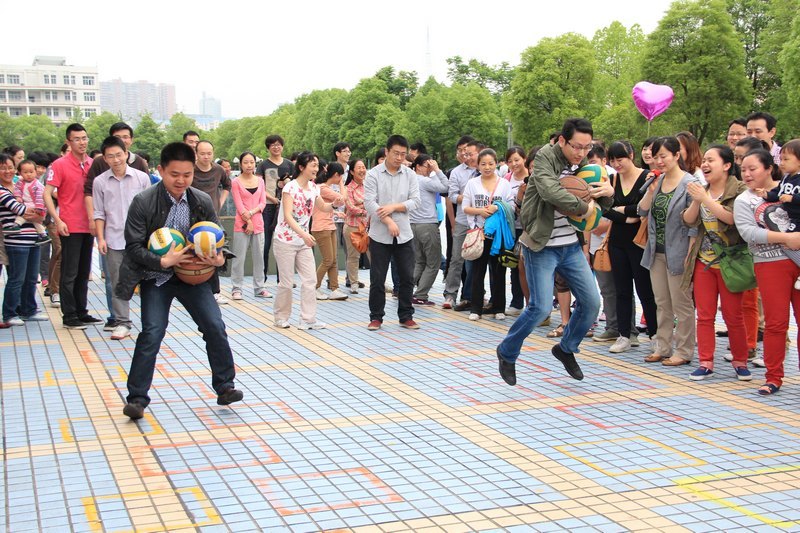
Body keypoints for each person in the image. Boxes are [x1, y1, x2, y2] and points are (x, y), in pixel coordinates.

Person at [116, 142, 243, 419]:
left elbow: (218, 236)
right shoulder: (143, 201)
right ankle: (137, 399)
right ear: (161, 171)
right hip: (156, 276)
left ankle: (225, 386)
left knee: (214, 326)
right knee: (152, 331)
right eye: (175, 174)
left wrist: (219, 258)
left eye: (187, 174)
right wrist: (163, 261)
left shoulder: (201, 200)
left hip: (194, 275)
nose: (181, 180)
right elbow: (133, 246)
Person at [496, 118, 615, 385]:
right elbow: (550, 192)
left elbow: (599, 195)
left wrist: (608, 192)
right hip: (542, 245)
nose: (582, 153)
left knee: (592, 303)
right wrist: (585, 208)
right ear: (562, 140)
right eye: (577, 146)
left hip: (570, 245)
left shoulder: (580, 163)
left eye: (587, 148)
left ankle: (566, 347)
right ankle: (507, 351)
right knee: (538, 309)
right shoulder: (544, 160)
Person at [734, 149, 800, 395]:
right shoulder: (744, 200)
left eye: (753, 169)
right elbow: (750, 233)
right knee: (776, 324)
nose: (748, 174)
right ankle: (773, 377)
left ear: (769, 168)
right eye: (743, 170)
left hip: (798, 261)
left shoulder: (791, 187)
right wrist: (788, 238)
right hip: (770, 264)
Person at [682, 145, 750, 381]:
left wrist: (705, 200)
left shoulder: (740, 189)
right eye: (704, 161)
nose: (705, 165)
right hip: (704, 262)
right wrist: (696, 200)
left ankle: (741, 361)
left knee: (733, 316)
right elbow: (689, 221)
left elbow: (733, 219)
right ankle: (705, 362)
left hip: (731, 262)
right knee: (705, 315)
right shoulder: (703, 190)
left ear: (727, 165)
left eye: (711, 160)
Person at [638, 136, 700, 366]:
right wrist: (651, 190)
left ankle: (684, 351)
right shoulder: (658, 180)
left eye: (663, 156)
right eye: (656, 157)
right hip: (656, 251)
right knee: (661, 301)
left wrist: (689, 254)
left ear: (676, 156)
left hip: (680, 251)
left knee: (681, 303)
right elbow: (642, 211)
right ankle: (662, 346)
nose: (659, 161)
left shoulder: (690, 183)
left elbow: (695, 225)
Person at [92, 136, 151, 340]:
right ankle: (122, 322)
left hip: (140, 240)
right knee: (117, 282)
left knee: (148, 281)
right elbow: (99, 212)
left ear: (126, 154)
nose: (116, 160)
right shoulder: (100, 182)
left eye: (119, 154)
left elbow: (150, 210)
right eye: (111, 156)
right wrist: (100, 238)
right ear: (105, 159)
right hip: (114, 239)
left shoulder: (142, 178)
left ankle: (150, 321)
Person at [44, 123, 102, 330]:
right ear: (69, 142)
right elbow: (47, 193)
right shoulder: (59, 165)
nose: (82, 142)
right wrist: (57, 220)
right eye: (77, 139)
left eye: (84, 138)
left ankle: (81, 311)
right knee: (70, 272)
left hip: (90, 225)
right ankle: (69, 315)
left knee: (84, 271)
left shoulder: (92, 164)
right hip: (70, 226)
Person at [272, 152, 339, 329]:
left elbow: (322, 207)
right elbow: (287, 216)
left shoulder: (314, 188)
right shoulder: (290, 188)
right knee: (286, 283)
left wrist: (334, 205)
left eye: (317, 165)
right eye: (313, 165)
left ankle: (308, 319)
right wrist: (304, 233)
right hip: (285, 240)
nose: (316, 169)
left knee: (309, 280)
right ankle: (281, 317)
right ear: (302, 167)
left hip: (303, 241)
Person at [602, 141, 657, 353]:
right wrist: (626, 218)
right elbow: (605, 209)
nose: (617, 164)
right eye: (613, 160)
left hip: (640, 243)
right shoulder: (612, 179)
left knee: (646, 291)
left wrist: (622, 209)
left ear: (631, 155)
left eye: (620, 158)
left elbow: (643, 209)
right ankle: (624, 335)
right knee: (622, 291)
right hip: (617, 241)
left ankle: (654, 335)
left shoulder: (647, 177)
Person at [364, 135, 421, 330]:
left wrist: (394, 207)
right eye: (396, 153)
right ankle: (376, 317)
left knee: (407, 276)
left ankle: (406, 315)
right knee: (378, 278)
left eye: (403, 154)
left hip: (404, 234)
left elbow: (415, 201)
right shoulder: (373, 175)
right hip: (380, 235)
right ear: (387, 151)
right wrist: (388, 220)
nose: (399, 157)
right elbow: (370, 203)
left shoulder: (410, 175)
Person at [462, 148, 514, 320]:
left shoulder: (504, 184)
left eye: (491, 163)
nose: (487, 167)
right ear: (478, 165)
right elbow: (465, 208)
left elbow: (512, 207)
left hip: (498, 235)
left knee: (499, 271)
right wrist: (480, 211)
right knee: (477, 272)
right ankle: (476, 308)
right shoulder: (472, 183)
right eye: (483, 164)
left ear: (496, 164)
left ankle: (498, 307)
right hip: (479, 234)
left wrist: (497, 207)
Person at [1, 154, 47, 326]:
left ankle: (28, 310)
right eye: (3, 167)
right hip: (16, 240)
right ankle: (9, 313)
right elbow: (20, 210)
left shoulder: (21, 186)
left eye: (10, 167)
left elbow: (41, 214)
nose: (7, 171)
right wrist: (35, 213)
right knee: (16, 278)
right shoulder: (2, 190)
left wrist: (37, 214)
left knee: (30, 277)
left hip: (33, 238)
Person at [756, 140, 800, 288]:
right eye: (780, 159)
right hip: (791, 217)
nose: (781, 163)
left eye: (786, 159)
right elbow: (778, 193)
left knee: (791, 241)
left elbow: (789, 196)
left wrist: (793, 198)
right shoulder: (786, 178)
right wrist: (767, 195)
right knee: (789, 241)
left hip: (798, 217)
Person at [193, 140, 232, 304]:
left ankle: (215, 291)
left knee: (217, 250)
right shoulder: (190, 169)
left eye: (209, 153)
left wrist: (220, 202)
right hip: (193, 217)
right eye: (202, 153)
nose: (206, 156)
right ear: (196, 154)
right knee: (193, 251)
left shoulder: (218, 170)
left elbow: (227, 185)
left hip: (212, 217)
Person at [443, 137, 479, 310]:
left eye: (470, 152)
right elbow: (451, 195)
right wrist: (467, 198)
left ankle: (472, 295)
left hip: (482, 223)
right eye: (464, 152)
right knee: (457, 259)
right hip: (463, 221)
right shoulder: (457, 172)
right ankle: (450, 294)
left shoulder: (486, 171)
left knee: (477, 261)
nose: (467, 155)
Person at [230, 151, 270, 300]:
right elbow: (239, 205)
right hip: (242, 224)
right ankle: (236, 288)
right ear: (240, 164)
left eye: (251, 162)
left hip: (258, 223)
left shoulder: (260, 181)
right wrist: (248, 221)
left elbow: (263, 202)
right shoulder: (235, 182)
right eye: (245, 162)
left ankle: (259, 287)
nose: (249, 165)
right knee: (239, 257)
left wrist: (252, 215)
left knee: (259, 256)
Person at [409, 154, 448, 306]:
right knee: (434, 262)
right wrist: (437, 170)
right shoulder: (424, 181)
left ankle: (405, 290)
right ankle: (421, 295)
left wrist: (432, 172)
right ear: (418, 166)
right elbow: (446, 187)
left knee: (419, 261)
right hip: (427, 225)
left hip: (413, 225)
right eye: (427, 165)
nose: (430, 168)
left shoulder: (410, 180)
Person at [256, 135, 293, 282]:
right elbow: (259, 186)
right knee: (265, 243)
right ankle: (262, 277)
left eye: (278, 144)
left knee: (283, 243)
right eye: (272, 145)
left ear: (282, 146)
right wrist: (272, 199)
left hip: (285, 208)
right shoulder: (263, 165)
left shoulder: (289, 164)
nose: (276, 147)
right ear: (268, 148)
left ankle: (282, 278)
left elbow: (293, 185)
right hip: (268, 207)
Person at [311, 163, 349, 301]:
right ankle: (314, 287)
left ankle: (334, 289)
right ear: (337, 175)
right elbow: (342, 199)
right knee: (328, 260)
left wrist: (336, 214)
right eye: (341, 176)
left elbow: (328, 206)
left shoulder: (323, 188)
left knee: (333, 260)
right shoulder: (322, 188)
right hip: (321, 228)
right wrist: (341, 185)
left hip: (329, 226)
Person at [505, 146, 529, 316]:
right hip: (513, 228)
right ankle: (516, 302)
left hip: (529, 229)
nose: (514, 164)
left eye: (517, 160)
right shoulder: (506, 179)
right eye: (510, 161)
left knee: (530, 267)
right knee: (513, 265)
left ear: (524, 159)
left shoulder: (531, 178)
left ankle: (534, 302)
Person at [343, 159, 368, 293]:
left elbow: (375, 202)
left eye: (363, 167)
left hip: (368, 226)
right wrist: (365, 208)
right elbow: (351, 208)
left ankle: (379, 282)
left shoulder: (369, 186)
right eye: (359, 168)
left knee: (375, 255)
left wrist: (361, 205)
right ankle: (353, 283)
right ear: (352, 171)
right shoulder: (348, 188)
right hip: (353, 226)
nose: (362, 170)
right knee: (353, 256)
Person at [11, 160, 50, 244]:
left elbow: (40, 197)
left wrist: (39, 208)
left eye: (31, 172)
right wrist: (17, 197)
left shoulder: (38, 185)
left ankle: (16, 224)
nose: (28, 174)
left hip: (35, 205)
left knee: (27, 216)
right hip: (25, 203)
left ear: (35, 172)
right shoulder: (20, 182)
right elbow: (17, 190)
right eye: (25, 172)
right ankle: (43, 235)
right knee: (33, 220)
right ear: (20, 173)